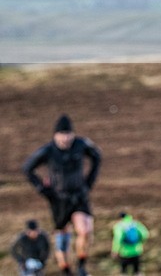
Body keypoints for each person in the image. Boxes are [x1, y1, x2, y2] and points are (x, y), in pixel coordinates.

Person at [22, 114, 101, 276]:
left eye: (68, 135)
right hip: (59, 199)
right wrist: (42, 189)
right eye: (62, 135)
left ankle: (81, 266)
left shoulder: (81, 144)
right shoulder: (47, 151)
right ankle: (66, 270)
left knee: (85, 231)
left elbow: (97, 156)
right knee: (62, 239)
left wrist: (89, 183)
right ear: (55, 135)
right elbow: (27, 168)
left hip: (79, 196)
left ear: (72, 134)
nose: (65, 139)